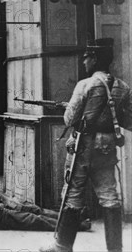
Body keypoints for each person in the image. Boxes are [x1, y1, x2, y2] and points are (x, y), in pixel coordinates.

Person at [41, 38, 132, 252]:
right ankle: (115, 249)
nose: (84, 62)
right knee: (109, 195)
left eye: (87, 57)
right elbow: (127, 119)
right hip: (108, 145)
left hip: (84, 145)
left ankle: (62, 246)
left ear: (95, 59)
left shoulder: (85, 84)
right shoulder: (123, 87)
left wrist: (73, 108)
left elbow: (69, 119)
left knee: (73, 193)